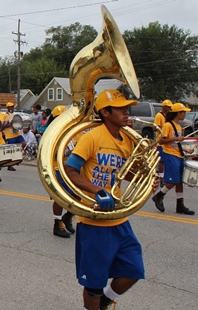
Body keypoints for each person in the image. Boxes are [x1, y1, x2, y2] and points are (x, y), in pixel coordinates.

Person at [65, 89, 148, 310]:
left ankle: (103, 302)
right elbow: (71, 170)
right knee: (94, 284)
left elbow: (123, 172)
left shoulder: (127, 139)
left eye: (126, 107)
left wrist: (144, 179)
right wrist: (98, 190)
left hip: (119, 219)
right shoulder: (91, 136)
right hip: (94, 222)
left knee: (133, 270)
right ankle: (96, 301)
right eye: (120, 108)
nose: (126, 111)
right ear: (105, 112)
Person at [152, 102, 195, 215]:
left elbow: (176, 142)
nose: (185, 114)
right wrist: (176, 138)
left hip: (178, 154)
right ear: (177, 113)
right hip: (170, 155)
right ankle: (159, 195)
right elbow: (161, 141)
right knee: (174, 180)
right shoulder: (168, 125)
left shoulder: (179, 126)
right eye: (183, 112)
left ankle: (180, 205)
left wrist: (186, 150)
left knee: (179, 181)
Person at [45, 105, 76, 238]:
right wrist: (69, 152)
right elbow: (52, 153)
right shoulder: (52, 134)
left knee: (78, 196)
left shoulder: (71, 132)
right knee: (60, 199)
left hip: (71, 168)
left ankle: (68, 216)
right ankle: (57, 224)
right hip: (58, 169)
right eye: (59, 118)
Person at [3, 102, 26, 172]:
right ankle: (10, 165)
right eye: (9, 107)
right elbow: (3, 126)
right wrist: (10, 123)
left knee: (24, 143)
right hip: (10, 134)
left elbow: (18, 124)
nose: (11, 108)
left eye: (12, 107)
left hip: (16, 133)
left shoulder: (15, 115)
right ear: (7, 108)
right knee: (11, 150)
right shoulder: (5, 116)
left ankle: (17, 157)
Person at [153, 99, 173, 182]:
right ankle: (161, 176)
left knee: (166, 160)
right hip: (160, 141)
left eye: (170, 107)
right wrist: (161, 128)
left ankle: (164, 175)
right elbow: (154, 127)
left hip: (167, 140)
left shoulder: (168, 116)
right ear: (164, 107)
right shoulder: (159, 115)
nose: (169, 109)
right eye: (168, 107)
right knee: (162, 160)